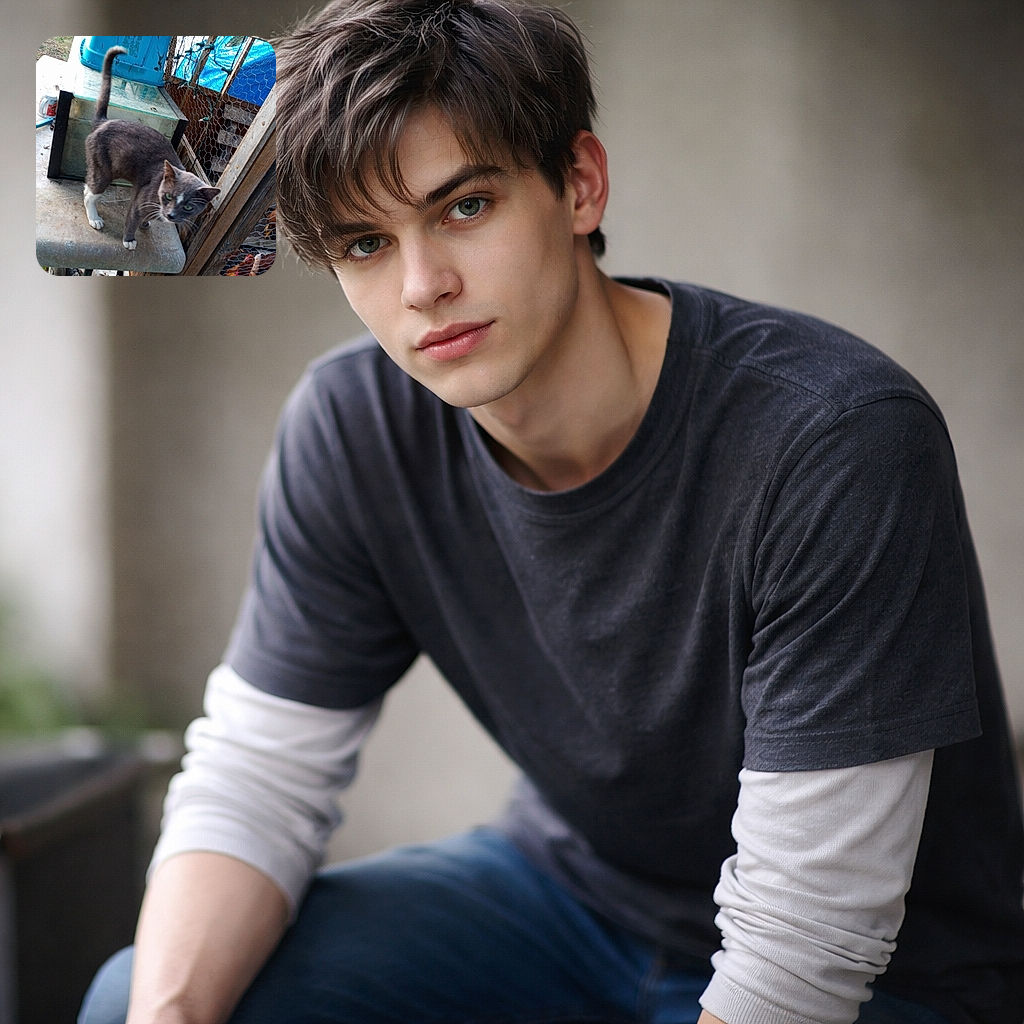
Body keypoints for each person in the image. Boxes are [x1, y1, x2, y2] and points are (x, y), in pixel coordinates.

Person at [80, 1, 1024, 1022]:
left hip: (884, 974)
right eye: (361, 243)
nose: (423, 285)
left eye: (465, 207)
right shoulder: (354, 425)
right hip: (570, 902)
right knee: (145, 990)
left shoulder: (834, 439)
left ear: (578, 184)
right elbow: (258, 776)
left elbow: (805, 947)